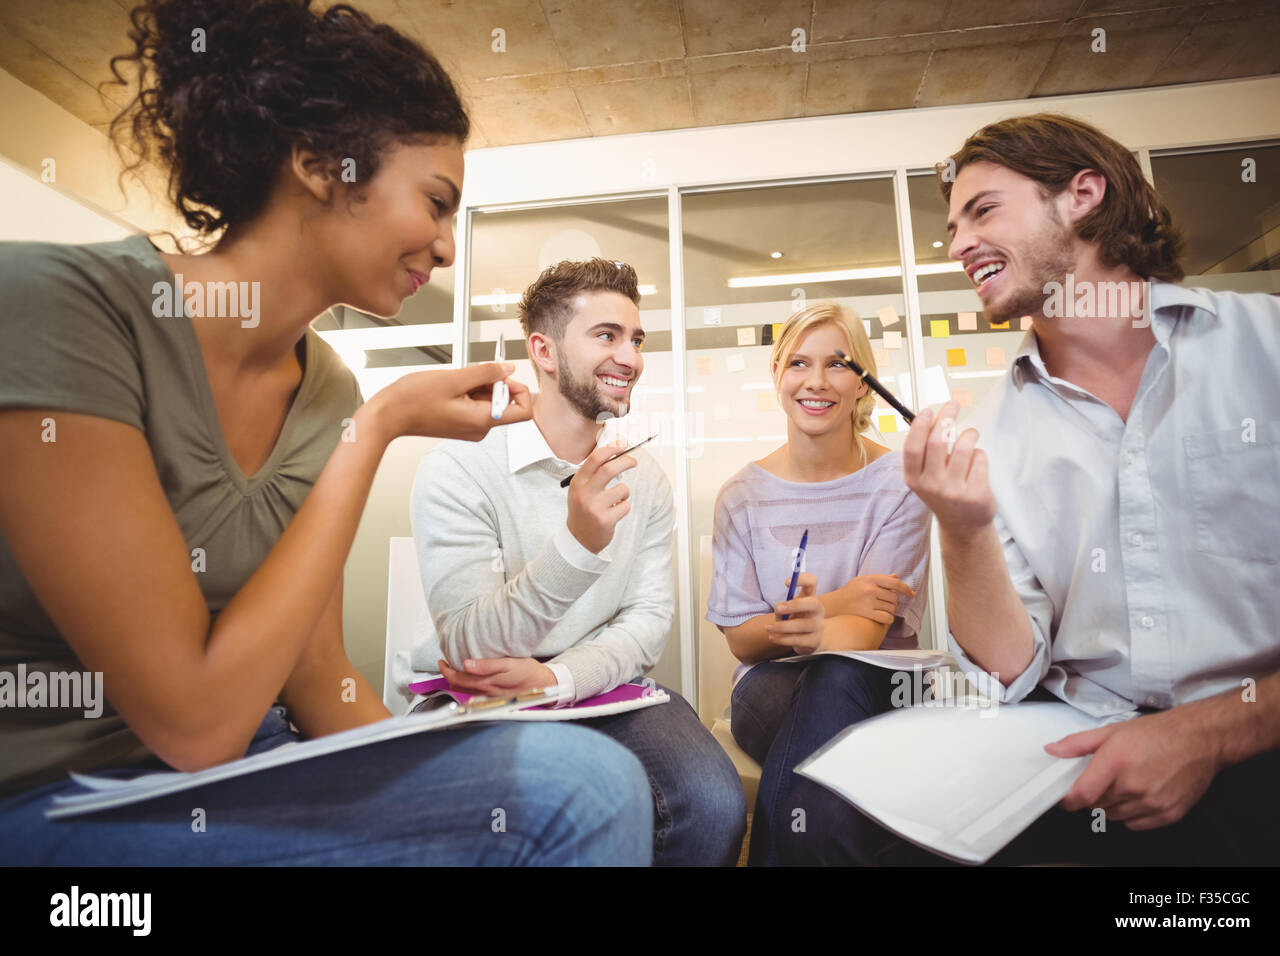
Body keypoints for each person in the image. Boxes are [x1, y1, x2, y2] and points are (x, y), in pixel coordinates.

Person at [0, 0, 653, 866]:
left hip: (249, 767)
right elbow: (193, 723)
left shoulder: (325, 384)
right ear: (317, 164)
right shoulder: (60, 307)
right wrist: (375, 429)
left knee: (589, 776)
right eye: (435, 201)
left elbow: (318, 684)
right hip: (63, 800)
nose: (448, 247)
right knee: (580, 790)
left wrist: (440, 758)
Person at [892, 112, 1280, 865]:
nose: (957, 246)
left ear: (1082, 194)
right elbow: (1009, 673)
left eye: (982, 211)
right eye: (950, 229)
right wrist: (963, 526)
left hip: (1277, 743)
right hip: (1087, 758)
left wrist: (1212, 733)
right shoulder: (988, 430)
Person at [410, 257, 748, 866]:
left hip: (599, 685)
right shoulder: (459, 466)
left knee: (712, 802)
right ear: (543, 350)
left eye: (636, 339)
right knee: (523, 817)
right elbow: (470, 645)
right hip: (484, 697)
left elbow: (647, 621)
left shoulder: (645, 480)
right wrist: (578, 543)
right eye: (606, 336)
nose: (631, 357)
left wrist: (558, 680)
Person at [707, 302, 931, 866]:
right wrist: (832, 604)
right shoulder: (740, 498)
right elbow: (742, 641)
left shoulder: (899, 485)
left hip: (879, 685)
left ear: (863, 384)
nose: (816, 381)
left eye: (838, 364)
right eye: (799, 364)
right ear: (777, 376)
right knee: (832, 700)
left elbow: (868, 632)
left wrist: (806, 629)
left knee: (835, 674)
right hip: (769, 691)